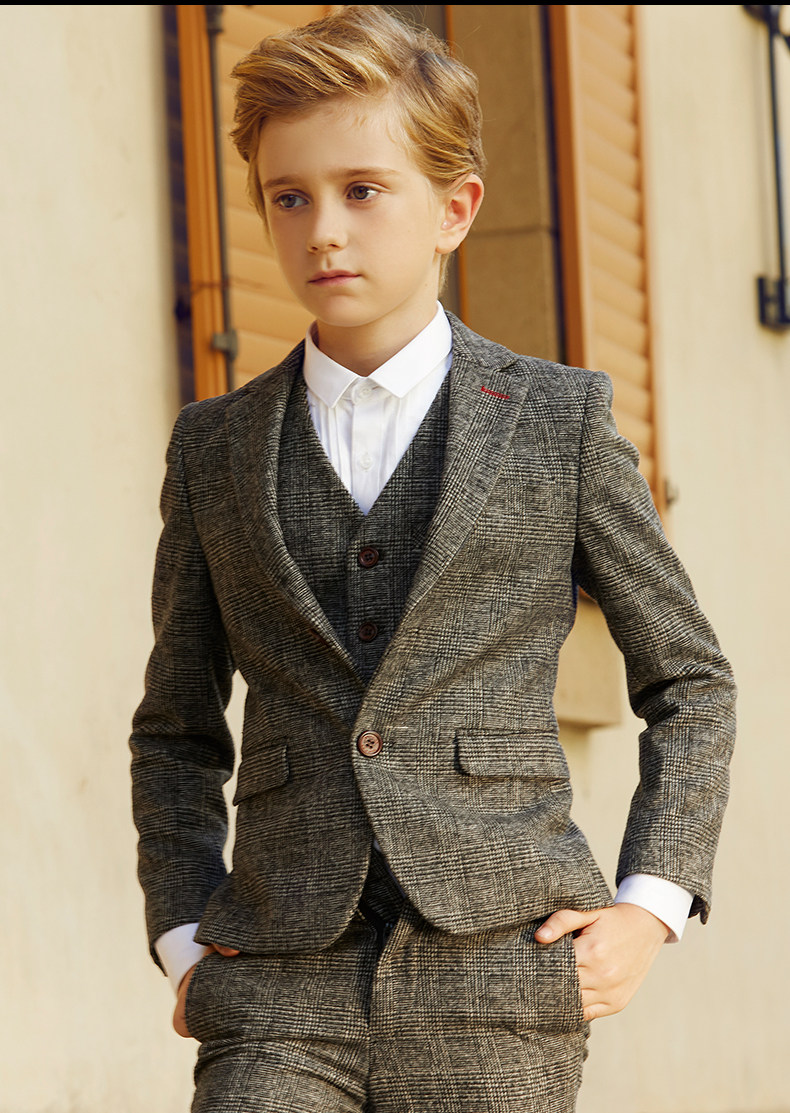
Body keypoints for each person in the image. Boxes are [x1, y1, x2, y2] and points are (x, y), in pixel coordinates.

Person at [130, 7, 736, 1111]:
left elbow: (690, 680)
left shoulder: (558, 420)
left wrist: (650, 906)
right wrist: (181, 933)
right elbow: (175, 726)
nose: (324, 230)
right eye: (289, 197)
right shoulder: (213, 448)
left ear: (455, 209)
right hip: (276, 976)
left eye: (363, 190)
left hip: (503, 966)